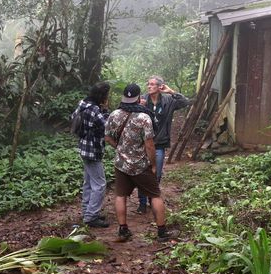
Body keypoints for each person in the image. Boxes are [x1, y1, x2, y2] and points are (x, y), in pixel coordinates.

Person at [104, 83, 179, 242]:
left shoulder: (114, 114)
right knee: (155, 195)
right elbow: (150, 145)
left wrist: (121, 147)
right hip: (140, 164)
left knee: (121, 195)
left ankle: (123, 230)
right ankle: (162, 232)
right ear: (139, 98)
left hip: (121, 164)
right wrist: (152, 165)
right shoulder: (144, 117)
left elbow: (108, 137)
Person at [136, 75, 189, 214]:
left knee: (156, 174)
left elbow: (185, 102)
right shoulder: (142, 100)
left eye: (153, 84)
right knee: (142, 173)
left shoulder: (168, 100)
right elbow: (130, 115)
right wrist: (138, 107)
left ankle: (151, 199)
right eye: (148, 84)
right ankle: (141, 203)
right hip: (143, 143)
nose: (149, 86)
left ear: (160, 86)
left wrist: (171, 91)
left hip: (159, 143)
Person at [74, 81, 111, 228]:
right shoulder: (94, 109)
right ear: (101, 95)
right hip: (93, 150)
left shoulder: (83, 103)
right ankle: (91, 217)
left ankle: (87, 212)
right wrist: (107, 111)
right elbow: (107, 126)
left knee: (89, 182)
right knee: (100, 184)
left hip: (83, 147)